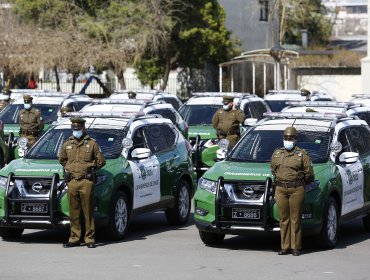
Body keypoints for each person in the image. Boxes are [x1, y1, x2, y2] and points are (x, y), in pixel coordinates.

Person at [59, 117, 106, 249]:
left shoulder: (92, 144)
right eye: (74, 129)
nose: (76, 131)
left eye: (78, 129)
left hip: (86, 181)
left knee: (88, 211)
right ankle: (74, 238)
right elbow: (62, 159)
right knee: (73, 212)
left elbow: (101, 161)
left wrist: (91, 170)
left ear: (83, 128)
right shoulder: (67, 143)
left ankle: (89, 238)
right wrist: (70, 168)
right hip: (72, 181)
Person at [270, 126, 314, 256]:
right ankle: (284, 246)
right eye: (285, 138)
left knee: (295, 218)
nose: (288, 140)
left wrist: (300, 183)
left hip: (297, 188)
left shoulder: (302, 154)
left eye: (290, 138)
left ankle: (296, 247)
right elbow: (273, 169)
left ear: (295, 139)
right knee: (283, 218)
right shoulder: (277, 153)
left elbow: (309, 174)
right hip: (280, 188)